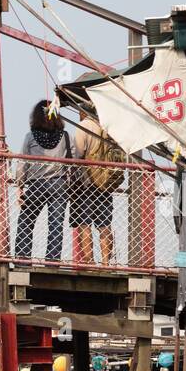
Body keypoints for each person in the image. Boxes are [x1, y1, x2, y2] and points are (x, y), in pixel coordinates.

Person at [14, 99, 71, 262]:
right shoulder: (64, 136)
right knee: (56, 225)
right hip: (59, 184)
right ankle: (52, 261)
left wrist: (20, 186)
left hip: (35, 184)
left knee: (26, 221)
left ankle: (22, 259)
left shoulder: (30, 136)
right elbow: (74, 157)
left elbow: (22, 163)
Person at [69, 108, 121, 265]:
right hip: (106, 183)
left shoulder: (83, 126)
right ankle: (106, 262)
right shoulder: (109, 127)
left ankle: (89, 261)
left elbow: (77, 154)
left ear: (83, 112)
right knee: (104, 224)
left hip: (87, 183)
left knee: (85, 223)